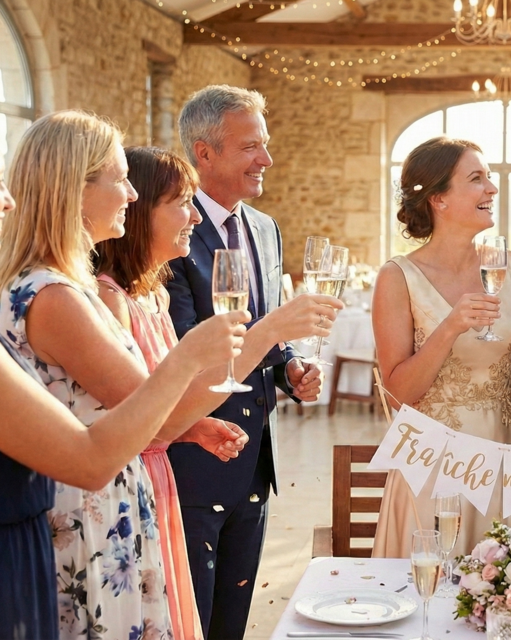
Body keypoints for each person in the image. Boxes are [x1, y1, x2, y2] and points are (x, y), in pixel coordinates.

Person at [0, 110, 266, 639]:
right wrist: (191, 356)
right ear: (74, 189)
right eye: (120, 179)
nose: (130, 194)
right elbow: (147, 408)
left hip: (108, 500)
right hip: (86, 516)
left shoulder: (64, 285)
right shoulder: (53, 296)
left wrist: (191, 423)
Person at [94, 146, 335, 639]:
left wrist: (284, 364)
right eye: (181, 202)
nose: (194, 214)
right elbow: (153, 402)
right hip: (157, 482)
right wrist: (267, 332)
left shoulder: (155, 290)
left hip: (227, 453)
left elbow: (155, 403)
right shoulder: (107, 297)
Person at [166, 85, 338, 639]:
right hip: (192, 459)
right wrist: (277, 330)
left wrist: (289, 369)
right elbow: (184, 354)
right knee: (193, 619)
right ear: (205, 152)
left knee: (233, 623)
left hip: (255, 464)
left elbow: (264, 333)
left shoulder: (265, 228)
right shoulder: (168, 234)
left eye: (265, 145)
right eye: (250, 148)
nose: (266, 159)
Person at [372, 136, 511, 557]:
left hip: (504, 455)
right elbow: (396, 394)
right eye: (477, 179)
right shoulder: (397, 277)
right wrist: (449, 328)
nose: (492, 189)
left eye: (490, 179)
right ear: (439, 198)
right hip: (433, 463)